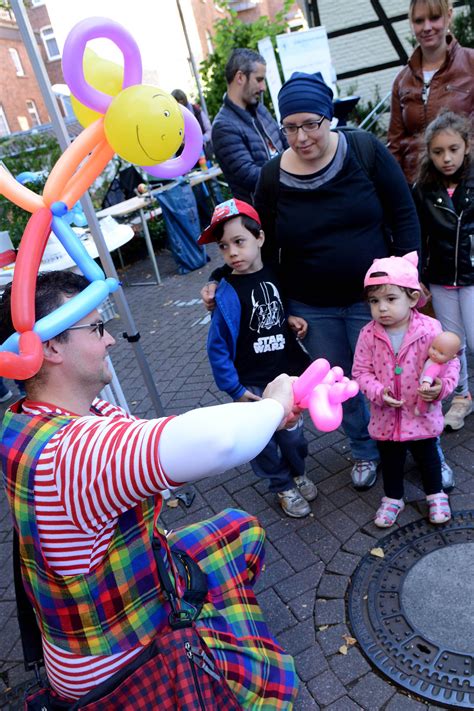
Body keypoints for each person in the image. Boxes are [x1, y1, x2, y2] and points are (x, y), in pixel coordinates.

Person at [0, 272, 299, 708]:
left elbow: (151, 438)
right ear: (50, 347)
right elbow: (219, 442)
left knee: (241, 530)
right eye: (97, 328)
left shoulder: (27, 417)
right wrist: (275, 405)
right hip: (118, 661)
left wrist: (258, 416)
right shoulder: (71, 453)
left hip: (106, 609)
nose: (111, 341)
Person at [202, 71, 421, 490]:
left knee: (393, 375)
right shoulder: (271, 177)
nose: (300, 137)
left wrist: (410, 278)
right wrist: (220, 278)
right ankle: (363, 449)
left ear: (329, 117)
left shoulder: (364, 150)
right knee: (343, 383)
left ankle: (417, 446)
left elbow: (404, 213)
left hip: (375, 300)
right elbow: (257, 241)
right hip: (312, 306)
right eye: (289, 127)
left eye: (310, 124)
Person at [199, 198, 315, 518]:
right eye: (224, 246)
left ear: (259, 238)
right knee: (262, 444)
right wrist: (234, 390)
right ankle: (281, 486)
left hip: (285, 377)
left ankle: (298, 471)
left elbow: (276, 308)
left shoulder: (275, 272)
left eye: (239, 242)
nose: (232, 252)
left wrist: (291, 319)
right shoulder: (225, 292)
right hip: (251, 383)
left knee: (294, 437)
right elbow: (217, 346)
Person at [352, 252, 459, 528]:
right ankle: (393, 498)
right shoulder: (368, 334)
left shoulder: (429, 328)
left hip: (421, 412)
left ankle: (435, 494)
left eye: (390, 299)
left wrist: (440, 388)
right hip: (386, 416)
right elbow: (361, 372)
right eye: (374, 301)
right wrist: (377, 392)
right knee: (391, 460)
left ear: (412, 298)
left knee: (428, 455)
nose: (382, 308)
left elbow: (449, 362)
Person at [413, 110, 473, 430]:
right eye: (438, 152)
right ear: (429, 153)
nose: (446, 158)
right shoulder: (422, 187)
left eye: (453, 149)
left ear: (467, 145)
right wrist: (418, 276)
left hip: (472, 276)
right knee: (452, 342)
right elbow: (417, 233)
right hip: (440, 278)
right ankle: (462, 396)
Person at [387, 0, 474, 184]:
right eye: (419, 21)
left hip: (466, 184)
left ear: (449, 16)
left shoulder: (471, 64)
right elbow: (394, 146)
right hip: (418, 190)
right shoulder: (402, 80)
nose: (427, 27)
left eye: (434, 18)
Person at [211, 48, 286, 204]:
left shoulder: (261, 110)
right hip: (266, 217)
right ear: (240, 77)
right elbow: (251, 177)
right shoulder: (223, 126)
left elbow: (285, 144)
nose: (263, 87)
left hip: (287, 203)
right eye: (259, 80)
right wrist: (295, 172)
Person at [416, 331, 461, 414]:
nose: (434, 353)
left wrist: (426, 383)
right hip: (431, 385)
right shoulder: (433, 360)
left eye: (441, 353)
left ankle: (420, 410)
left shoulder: (437, 365)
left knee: (423, 398)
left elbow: (430, 373)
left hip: (428, 385)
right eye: (433, 348)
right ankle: (432, 405)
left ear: (452, 357)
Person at [171, 88, 213, 161]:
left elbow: (209, 130)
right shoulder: (172, 118)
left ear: (183, 100)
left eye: (180, 102)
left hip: (203, 154)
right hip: (185, 158)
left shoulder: (196, 110)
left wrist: (200, 139)